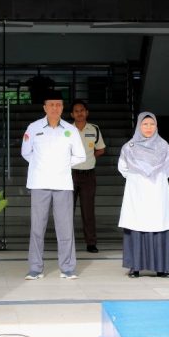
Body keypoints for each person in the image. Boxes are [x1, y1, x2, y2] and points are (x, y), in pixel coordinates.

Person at [22, 89, 86, 280]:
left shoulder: (70, 130)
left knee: (65, 227)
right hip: (39, 183)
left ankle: (67, 268)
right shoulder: (33, 128)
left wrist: (63, 165)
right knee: (37, 227)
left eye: (58, 104)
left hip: (63, 184)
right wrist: (41, 166)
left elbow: (81, 156)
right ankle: (35, 268)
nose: (55, 108)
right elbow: (26, 153)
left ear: (62, 108)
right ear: (45, 107)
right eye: (51, 104)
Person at [118, 112, 169, 278]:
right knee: (137, 225)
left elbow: (168, 169)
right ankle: (135, 267)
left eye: (152, 124)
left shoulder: (164, 146)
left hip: (157, 190)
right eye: (145, 124)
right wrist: (139, 177)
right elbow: (123, 168)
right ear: (139, 126)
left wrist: (153, 177)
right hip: (136, 191)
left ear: (156, 126)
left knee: (158, 225)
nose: (148, 128)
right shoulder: (129, 147)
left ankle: (161, 267)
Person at [70, 99, 106, 253]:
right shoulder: (66, 130)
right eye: (76, 111)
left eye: (82, 110)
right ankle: (66, 243)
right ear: (72, 114)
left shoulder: (94, 129)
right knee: (66, 210)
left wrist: (88, 159)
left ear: (87, 112)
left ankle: (91, 243)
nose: (79, 113)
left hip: (88, 175)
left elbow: (101, 149)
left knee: (88, 211)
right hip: (69, 175)